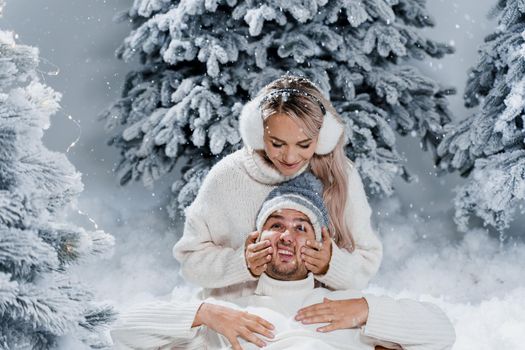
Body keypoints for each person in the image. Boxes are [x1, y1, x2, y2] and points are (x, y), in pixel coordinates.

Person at [112, 174, 455, 350]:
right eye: (275, 225)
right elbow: (122, 329)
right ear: (256, 240)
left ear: (321, 243)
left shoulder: (341, 305)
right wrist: (205, 314)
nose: (287, 236)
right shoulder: (229, 312)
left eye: (301, 227)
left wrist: (367, 311)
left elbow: (442, 332)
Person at [173, 75, 383, 303]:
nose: (291, 157)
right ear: (257, 133)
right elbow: (190, 262)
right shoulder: (227, 177)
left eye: (304, 145)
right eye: (277, 143)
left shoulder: (340, 176)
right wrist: (239, 264)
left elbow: (367, 260)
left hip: (311, 321)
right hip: (239, 319)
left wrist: (332, 265)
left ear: (323, 138)